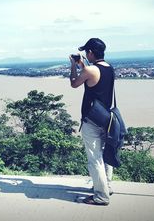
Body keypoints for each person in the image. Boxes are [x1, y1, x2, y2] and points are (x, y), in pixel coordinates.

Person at [69, 38, 115, 206]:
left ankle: (101, 196)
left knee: (94, 159)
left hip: (91, 120)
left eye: (86, 52)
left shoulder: (89, 70)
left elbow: (74, 83)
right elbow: (95, 79)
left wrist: (74, 65)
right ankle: (106, 187)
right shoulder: (109, 68)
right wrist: (83, 64)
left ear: (90, 53)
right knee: (105, 155)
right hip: (106, 119)